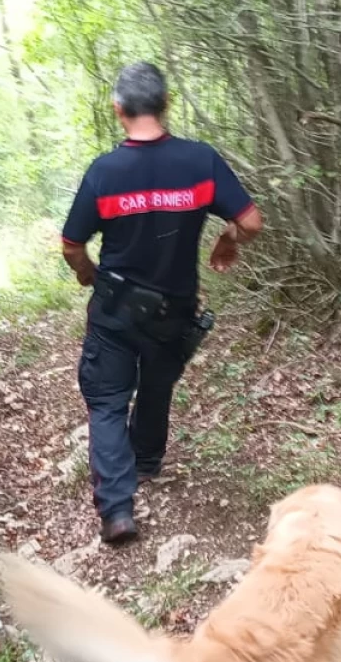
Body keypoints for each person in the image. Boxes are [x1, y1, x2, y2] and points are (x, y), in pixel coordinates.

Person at [61, 62, 262, 545]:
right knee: (156, 382)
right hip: (174, 306)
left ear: (118, 110)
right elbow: (252, 221)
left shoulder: (104, 172)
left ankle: (117, 510)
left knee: (108, 402)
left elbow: (71, 242)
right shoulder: (200, 161)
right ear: (165, 104)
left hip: (115, 306)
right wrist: (229, 240)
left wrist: (87, 272)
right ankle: (147, 461)